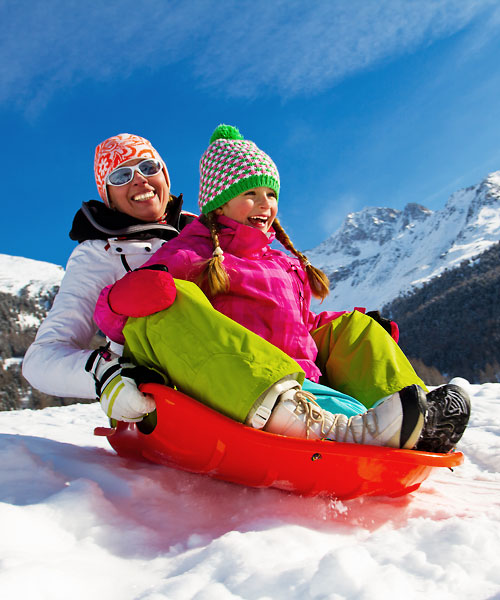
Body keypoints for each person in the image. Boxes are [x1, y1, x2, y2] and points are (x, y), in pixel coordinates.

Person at [94, 125, 471, 453]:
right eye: (250, 195)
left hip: (305, 385)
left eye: (270, 194)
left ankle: (414, 416)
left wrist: (356, 327)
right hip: (236, 389)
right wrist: (120, 299)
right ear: (219, 203)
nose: (265, 205)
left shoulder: (282, 262)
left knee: (358, 328)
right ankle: (330, 426)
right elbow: (126, 321)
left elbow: (302, 325)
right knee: (175, 301)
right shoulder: (192, 252)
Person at [22, 133, 195, 420]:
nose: (139, 180)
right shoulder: (100, 252)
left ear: (165, 176)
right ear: (108, 197)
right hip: (160, 402)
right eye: (121, 176)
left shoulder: (204, 233)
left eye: (148, 168)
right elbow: (41, 359)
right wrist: (107, 374)